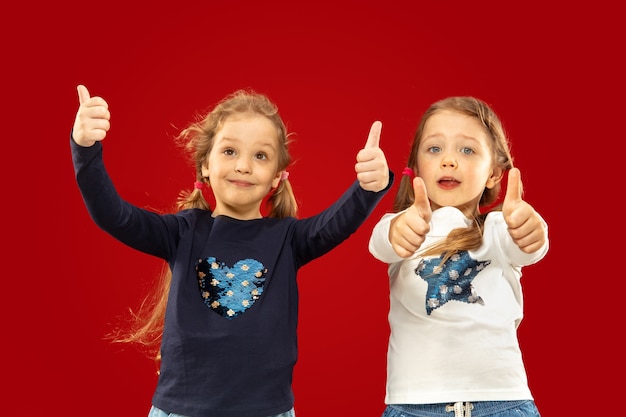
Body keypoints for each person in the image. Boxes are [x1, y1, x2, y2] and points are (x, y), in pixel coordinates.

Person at [71, 84, 393, 417]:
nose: (243, 166)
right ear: (204, 166)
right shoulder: (182, 232)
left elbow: (337, 222)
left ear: (277, 178)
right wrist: (85, 148)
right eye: (229, 152)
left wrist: (369, 186)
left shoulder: (288, 239)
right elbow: (115, 216)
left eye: (260, 156)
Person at [368, 96, 548, 417]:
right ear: (417, 168)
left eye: (467, 150)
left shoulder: (496, 229)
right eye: (435, 149)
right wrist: (401, 230)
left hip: (502, 402)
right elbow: (382, 243)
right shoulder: (401, 226)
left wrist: (531, 231)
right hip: (414, 406)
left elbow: (526, 248)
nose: (448, 160)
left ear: (493, 174)